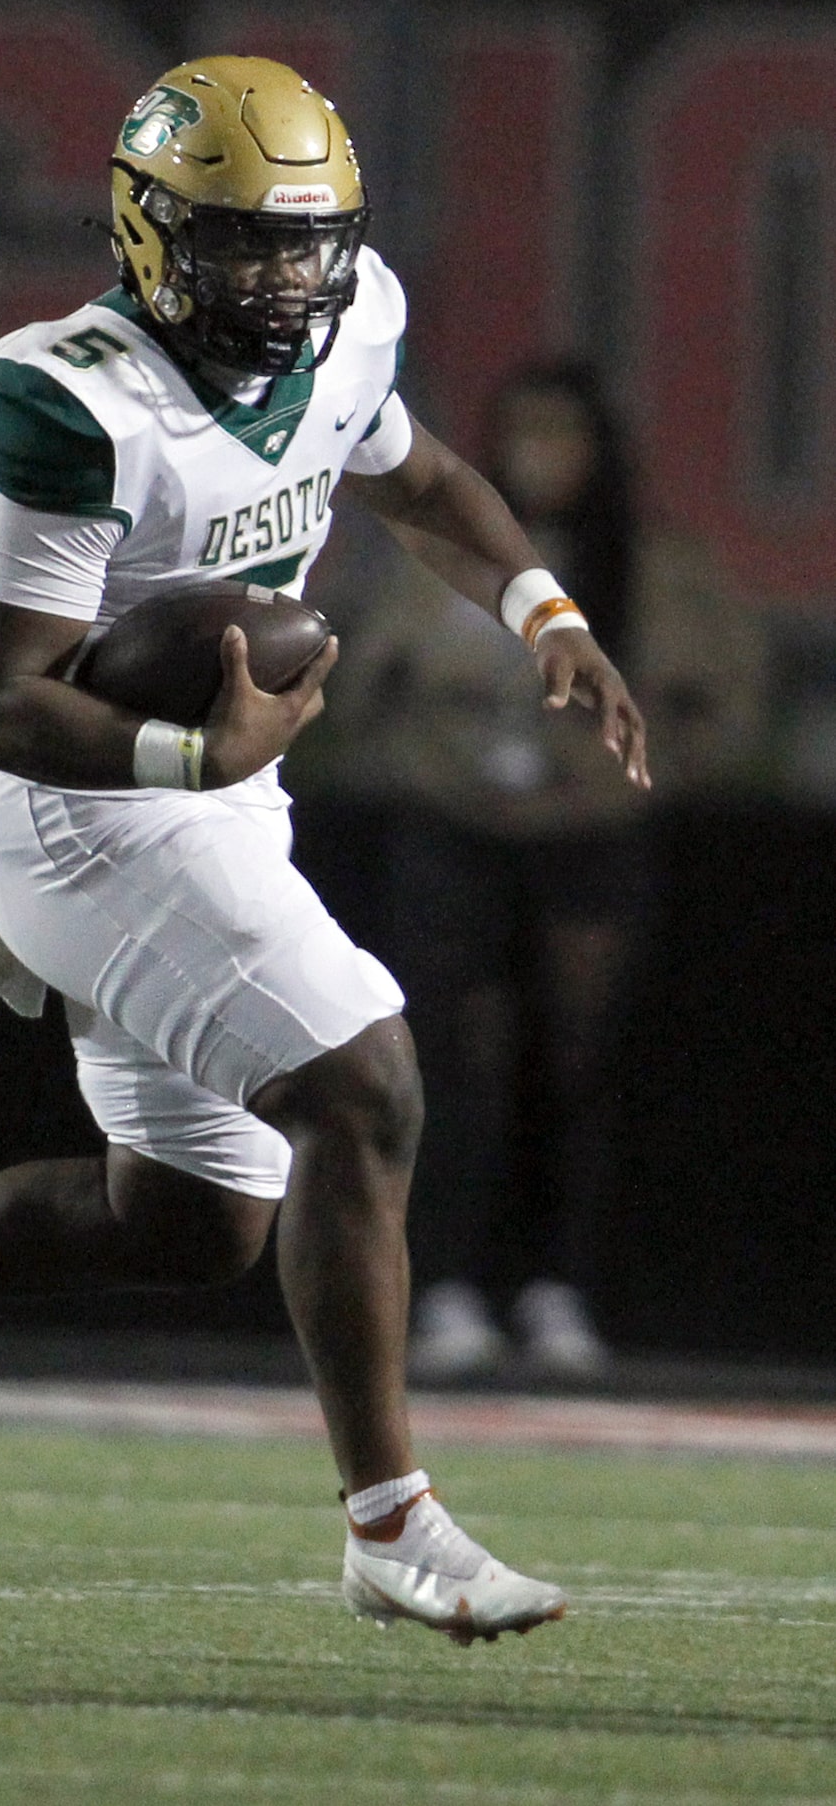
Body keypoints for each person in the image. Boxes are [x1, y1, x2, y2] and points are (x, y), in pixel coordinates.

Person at [0, 57, 647, 1643]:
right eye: (242, 243)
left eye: (305, 242)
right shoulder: (76, 396)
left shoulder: (350, 331)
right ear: (149, 236)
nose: (282, 279)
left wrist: (545, 613)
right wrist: (189, 747)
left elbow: (420, 481)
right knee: (365, 1078)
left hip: (209, 788)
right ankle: (391, 1524)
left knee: (195, 1218)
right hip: (71, 806)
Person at [334, 362, 765, 1381]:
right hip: (455, 832)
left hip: (591, 841)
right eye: (523, 435)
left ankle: (559, 1287)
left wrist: (623, 786)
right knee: (453, 1063)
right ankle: (446, 1287)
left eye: (563, 436)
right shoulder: (437, 556)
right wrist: (431, 771)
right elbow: (361, 694)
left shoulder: (657, 568)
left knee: (576, 1066)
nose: (542, 458)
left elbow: (725, 708)